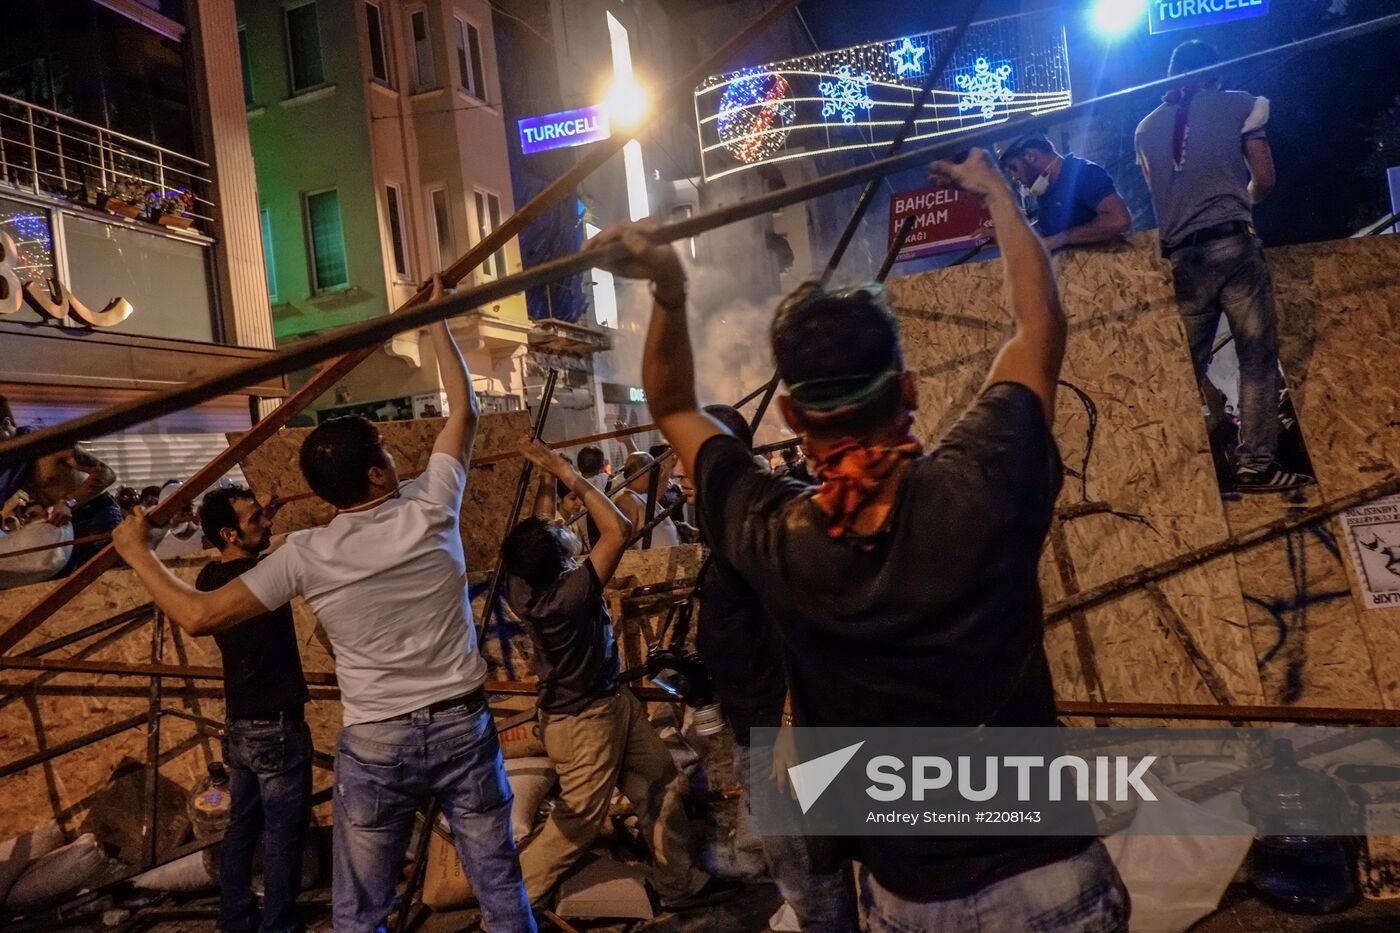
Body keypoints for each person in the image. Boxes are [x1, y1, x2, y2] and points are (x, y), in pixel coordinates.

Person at [586, 148, 1128, 931]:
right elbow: (1039, 324)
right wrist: (997, 197)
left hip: (909, 905)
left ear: (796, 421)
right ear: (908, 390)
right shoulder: (983, 482)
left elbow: (672, 404)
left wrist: (668, 286)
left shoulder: (779, 536)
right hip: (1050, 880)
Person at [111, 276, 536, 933]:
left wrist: (138, 552)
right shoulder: (432, 506)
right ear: (376, 474)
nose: (397, 456)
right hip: (462, 725)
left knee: (360, 913)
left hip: (378, 740)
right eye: (387, 453)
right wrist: (437, 320)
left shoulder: (305, 554)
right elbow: (465, 412)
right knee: (502, 893)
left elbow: (196, 615)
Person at [500, 441, 728, 911]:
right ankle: (508, 906)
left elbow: (543, 532)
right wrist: (572, 475)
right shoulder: (569, 596)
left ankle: (679, 882)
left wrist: (546, 478)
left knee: (659, 784)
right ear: (562, 563)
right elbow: (619, 529)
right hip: (584, 722)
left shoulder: (523, 581)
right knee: (579, 820)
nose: (567, 531)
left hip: (607, 704)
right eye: (563, 539)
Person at [674, 404, 858, 932]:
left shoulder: (756, 530)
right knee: (801, 868)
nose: (679, 471)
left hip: (777, 734)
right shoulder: (724, 524)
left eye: (691, 459)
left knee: (807, 871)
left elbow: (797, 627)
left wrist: (786, 722)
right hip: (757, 724)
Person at [1136, 40, 1310, 492]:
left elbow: (1163, 194)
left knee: (1185, 367)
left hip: (1182, 258)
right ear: (1215, 74)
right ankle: (1255, 465)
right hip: (1231, 246)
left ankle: (1165, 471)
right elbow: (1265, 178)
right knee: (1255, 359)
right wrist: (1240, 202)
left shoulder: (1145, 128)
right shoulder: (1242, 105)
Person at [196, 486, 311, 933]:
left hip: (240, 727)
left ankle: (236, 918)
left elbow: (245, 555)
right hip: (276, 727)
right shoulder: (263, 578)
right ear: (228, 532)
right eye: (254, 519)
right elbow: (275, 561)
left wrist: (263, 509)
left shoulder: (209, 579)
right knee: (283, 833)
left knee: (242, 826)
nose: (265, 523)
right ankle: (279, 925)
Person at [1000, 134, 1131, 250]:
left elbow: (1119, 219)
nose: (1015, 177)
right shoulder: (1046, 188)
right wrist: (1003, 236)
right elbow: (1044, 229)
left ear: (1031, 156)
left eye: (1014, 168)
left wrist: (1060, 239)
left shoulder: (1082, 174)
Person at [22, 437, 119, 575]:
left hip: (94, 513)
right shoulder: (14, 464)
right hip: (63, 523)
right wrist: (35, 509)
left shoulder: (52, 447)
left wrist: (68, 502)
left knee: (109, 578)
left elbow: (107, 474)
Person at [0, 500, 72, 589]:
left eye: (33, 515)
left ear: (47, 515)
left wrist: (67, 502)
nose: (27, 520)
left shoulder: (48, 537)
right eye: (27, 516)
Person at [615, 451, 681, 549]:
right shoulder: (626, 500)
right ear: (641, 472)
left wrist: (667, 468)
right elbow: (624, 539)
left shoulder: (642, 494)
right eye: (653, 469)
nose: (656, 473)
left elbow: (659, 491)